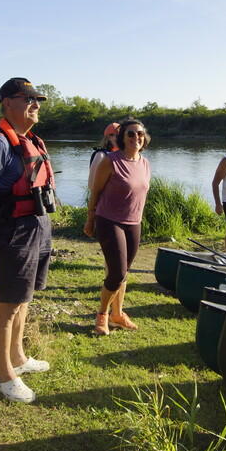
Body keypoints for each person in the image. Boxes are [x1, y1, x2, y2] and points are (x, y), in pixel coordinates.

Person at [0, 77, 54, 403]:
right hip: (14, 232)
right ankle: (4, 376)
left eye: (38, 99)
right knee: (8, 304)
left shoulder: (29, 140)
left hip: (37, 228)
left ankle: (19, 357)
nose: (35, 104)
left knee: (24, 298)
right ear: (7, 102)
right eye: (28, 98)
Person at [84, 119, 152, 336]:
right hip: (109, 220)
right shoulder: (110, 161)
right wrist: (90, 219)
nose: (136, 138)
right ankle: (102, 315)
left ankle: (118, 314)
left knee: (124, 273)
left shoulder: (145, 163)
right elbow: (95, 192)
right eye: (131, 134)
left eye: (140, 134)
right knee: (117, 273)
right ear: (122, 137)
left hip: (134, 223)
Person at [87, 122, 120, 189]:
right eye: (111, 135)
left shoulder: (123, 155)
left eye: (119, 135)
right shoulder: (101, 155)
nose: (116, 138)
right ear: (107, 138)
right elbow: (91, 185)